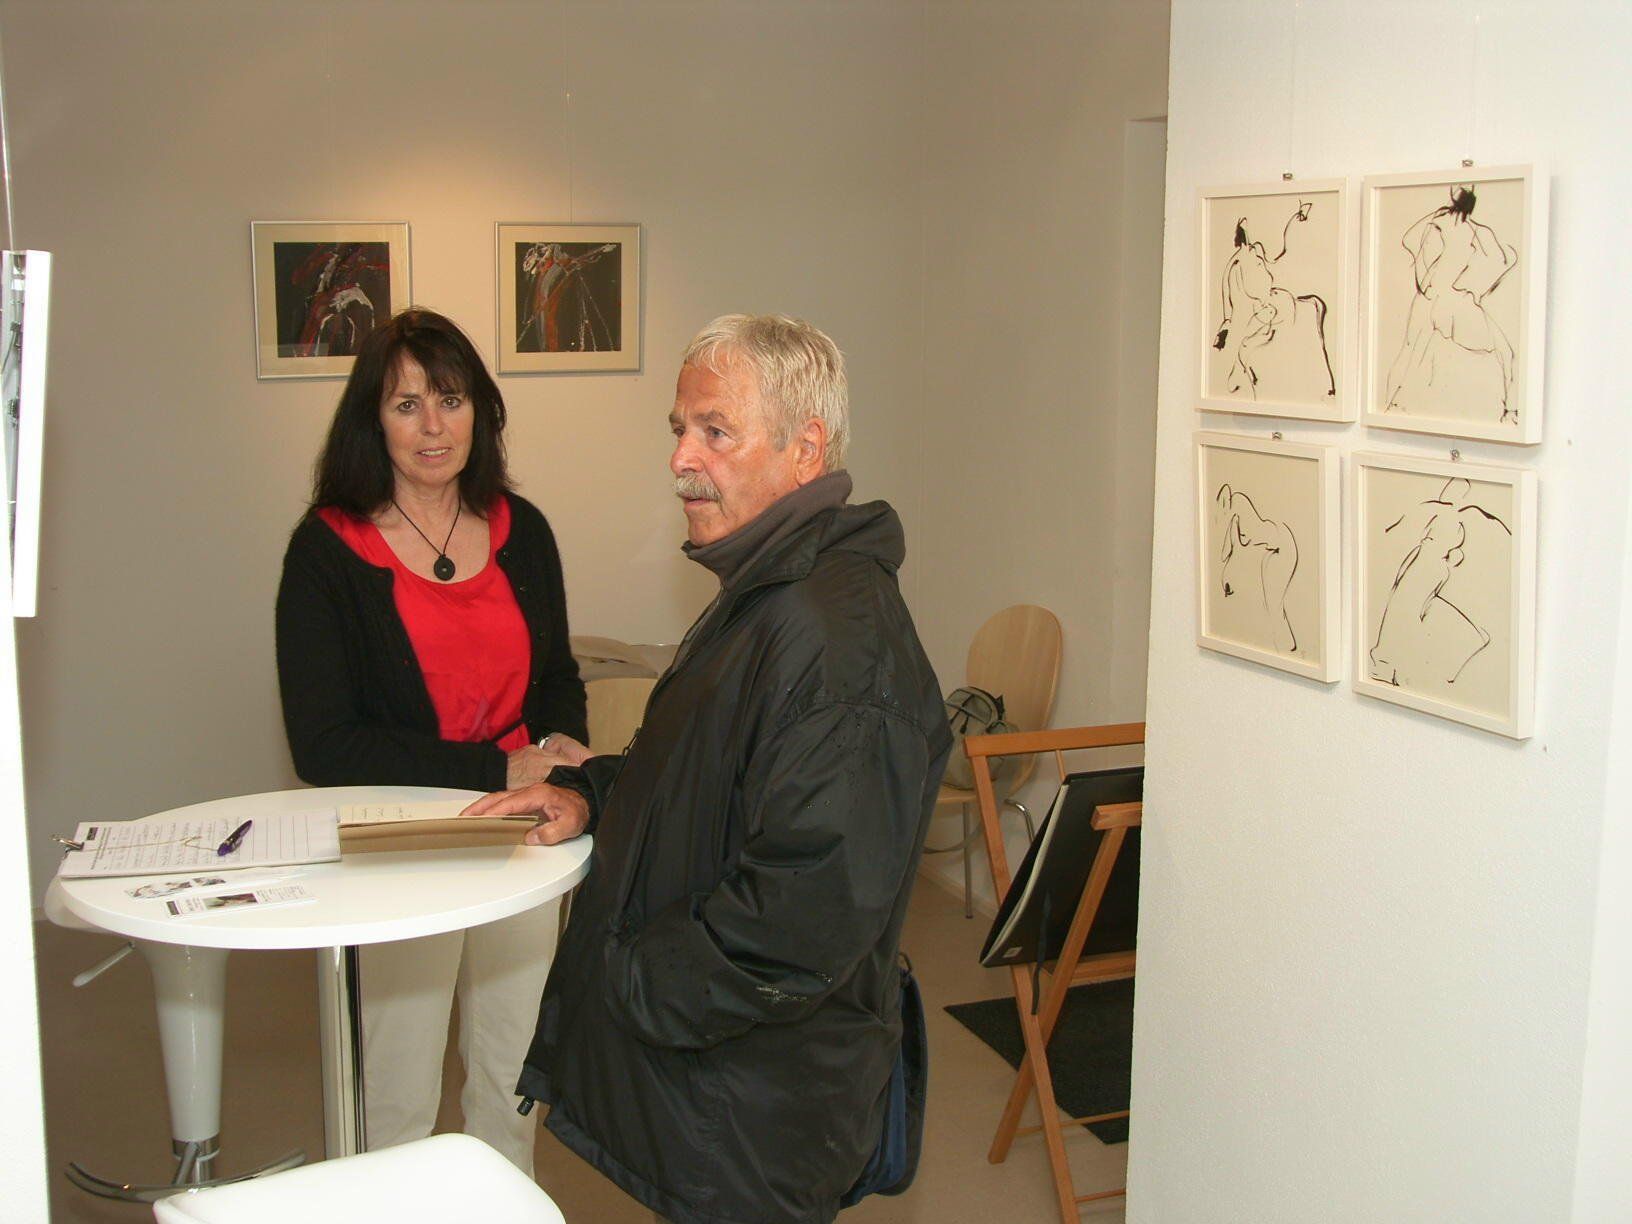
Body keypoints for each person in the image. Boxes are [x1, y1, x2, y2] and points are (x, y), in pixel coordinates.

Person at [464, 314, 951, 1223]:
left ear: (805, 451)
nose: (681, 459)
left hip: (752, 1111)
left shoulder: (834, 641)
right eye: (679, 429)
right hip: (725, 1088)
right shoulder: (769, 595)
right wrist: (588, 793)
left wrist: (633, 980)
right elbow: (701, 776)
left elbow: (806, 911)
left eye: (715, 432)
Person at [274, 308, 588, 1175]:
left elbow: (558, 674)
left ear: (480, 411)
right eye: (406, 404)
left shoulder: (523, 528)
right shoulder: (326, 551)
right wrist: (496, 766)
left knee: (512, 1065)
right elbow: (325, 745)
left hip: (522, 827)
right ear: (371, 419)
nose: (432, 427)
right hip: (403, 834)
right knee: (399, 1079)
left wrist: (562, 748)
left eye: (450, 400)